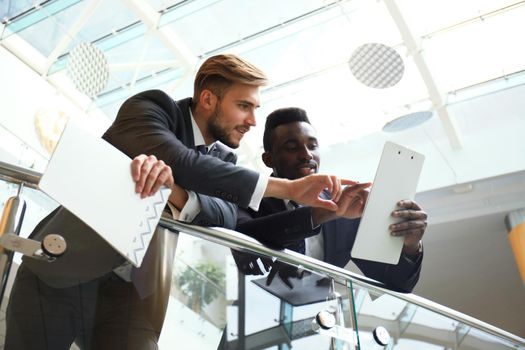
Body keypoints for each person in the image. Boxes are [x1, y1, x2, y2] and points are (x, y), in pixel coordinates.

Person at [5, 55, 350, 350]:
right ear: (208, 100)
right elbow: (180, 160)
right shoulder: (151, 109)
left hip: (133, 296)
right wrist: (288, 189)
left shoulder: (224, 165)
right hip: (62, 271)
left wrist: (177, 193)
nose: (252, 121)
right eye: (243, 106)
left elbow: (226, 216)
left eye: (255, 108)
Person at [234, 107, 426, 293]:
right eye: (292, 147)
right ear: (269, 159)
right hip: (254, 316)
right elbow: (242, 239)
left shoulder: (346, 212)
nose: (306, 155)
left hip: (322, 318)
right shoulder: (248, 197)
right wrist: (320, 214)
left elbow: (397, 283)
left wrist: (411, 246)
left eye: (312, 146)